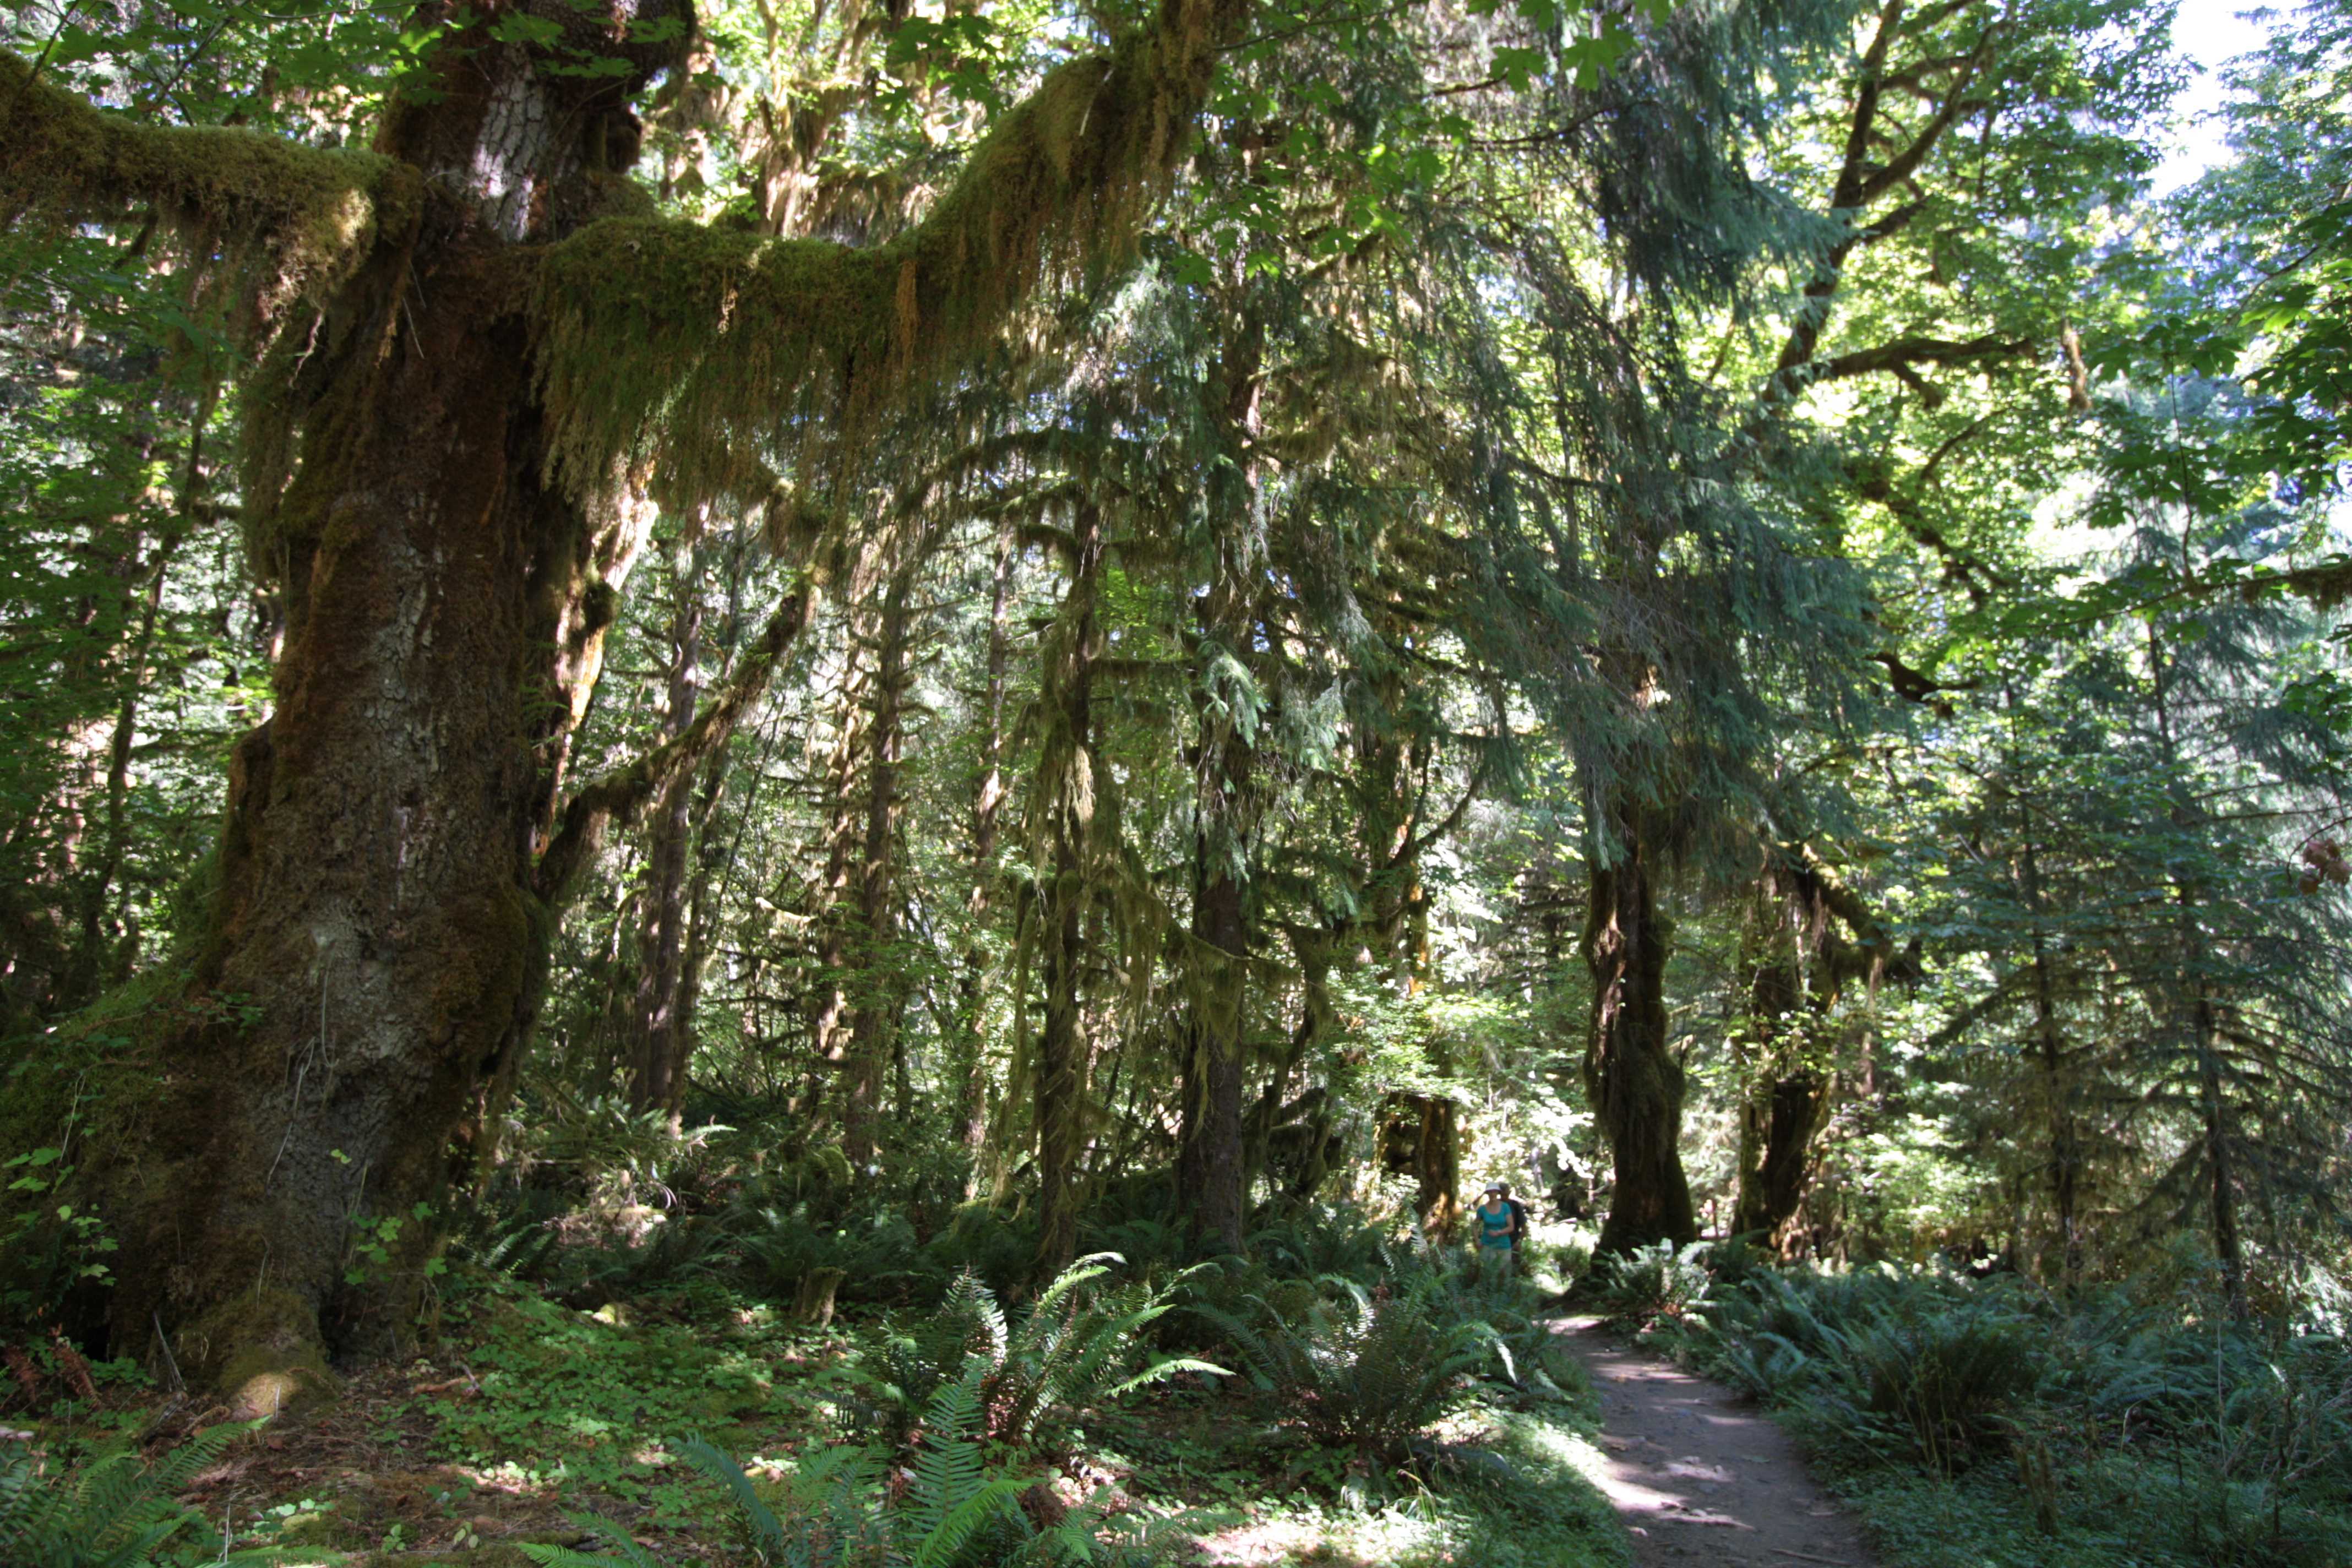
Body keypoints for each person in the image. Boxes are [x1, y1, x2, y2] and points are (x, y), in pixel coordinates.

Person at [1475, 1183, 1518, 1278]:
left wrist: (1499, 1233)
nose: (1492, 1194)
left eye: (1494, 1191)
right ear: (1487, 1193)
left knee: (1505, 1276)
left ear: (1498, 1193)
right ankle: (1487, 1293)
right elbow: (1475, 1225)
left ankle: (1505, 1293)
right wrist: (1477, 1240)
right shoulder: (1482, 1209)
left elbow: (1511, 1227)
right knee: (1489, 1276)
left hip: (1504, 1246)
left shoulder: (1505, 1207)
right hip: (1487, 1245)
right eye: (1490, 1192)